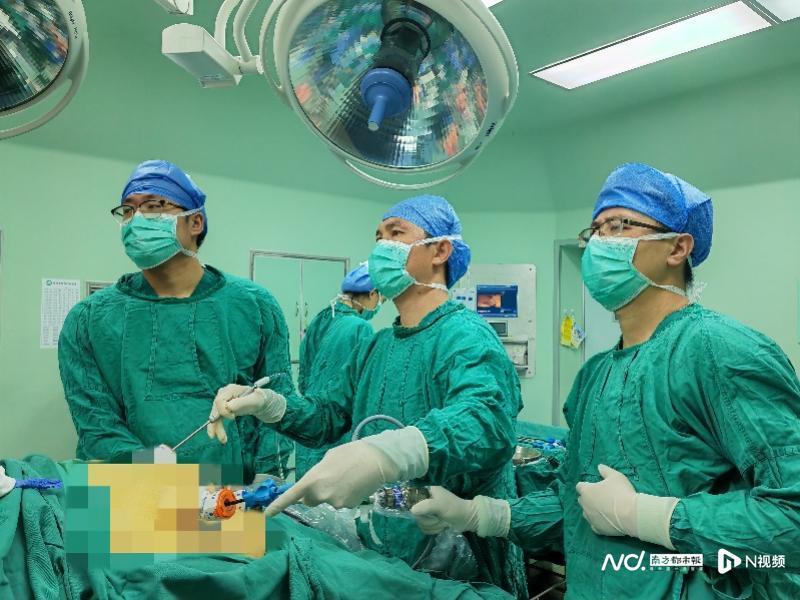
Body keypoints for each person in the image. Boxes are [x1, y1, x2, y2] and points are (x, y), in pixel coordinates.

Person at [408, 163, 800, 599]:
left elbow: (791, 518)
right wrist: (479, 515)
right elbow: (576, 504)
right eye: (593, 230)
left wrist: (646, 517)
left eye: (618, 225)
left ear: (677, 247)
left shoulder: (718, 350)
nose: (597, 242)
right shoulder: (595, 375)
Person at [207, 195, 528, 598]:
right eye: (378, 236)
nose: (381, 247)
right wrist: (271, 406)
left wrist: (392, 453)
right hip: (387, 551)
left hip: (463, 559)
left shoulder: (466, 336)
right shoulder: (378, 345)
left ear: (440, 251)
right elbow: (328, 418)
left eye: (396, 233)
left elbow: (486, 424)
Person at [58, 160, 294, 483]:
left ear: (195, 222)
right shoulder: (87, 320)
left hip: (230, 491)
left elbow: (277, 405)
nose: (136, 220)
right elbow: (96, 427)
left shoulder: (254, 306)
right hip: (129, 490)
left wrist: (267, 481)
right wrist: (167, 483)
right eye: (127, 210)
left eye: (153, 206)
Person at [294, 263, 382, 478]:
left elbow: (304, 377)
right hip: (337, 431)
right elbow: (362, 390)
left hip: (310, 421)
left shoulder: (322, 318)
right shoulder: (360, 327)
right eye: (381, 299)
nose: (378, 305)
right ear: (372, 293)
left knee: (306, 490)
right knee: (334, 489)